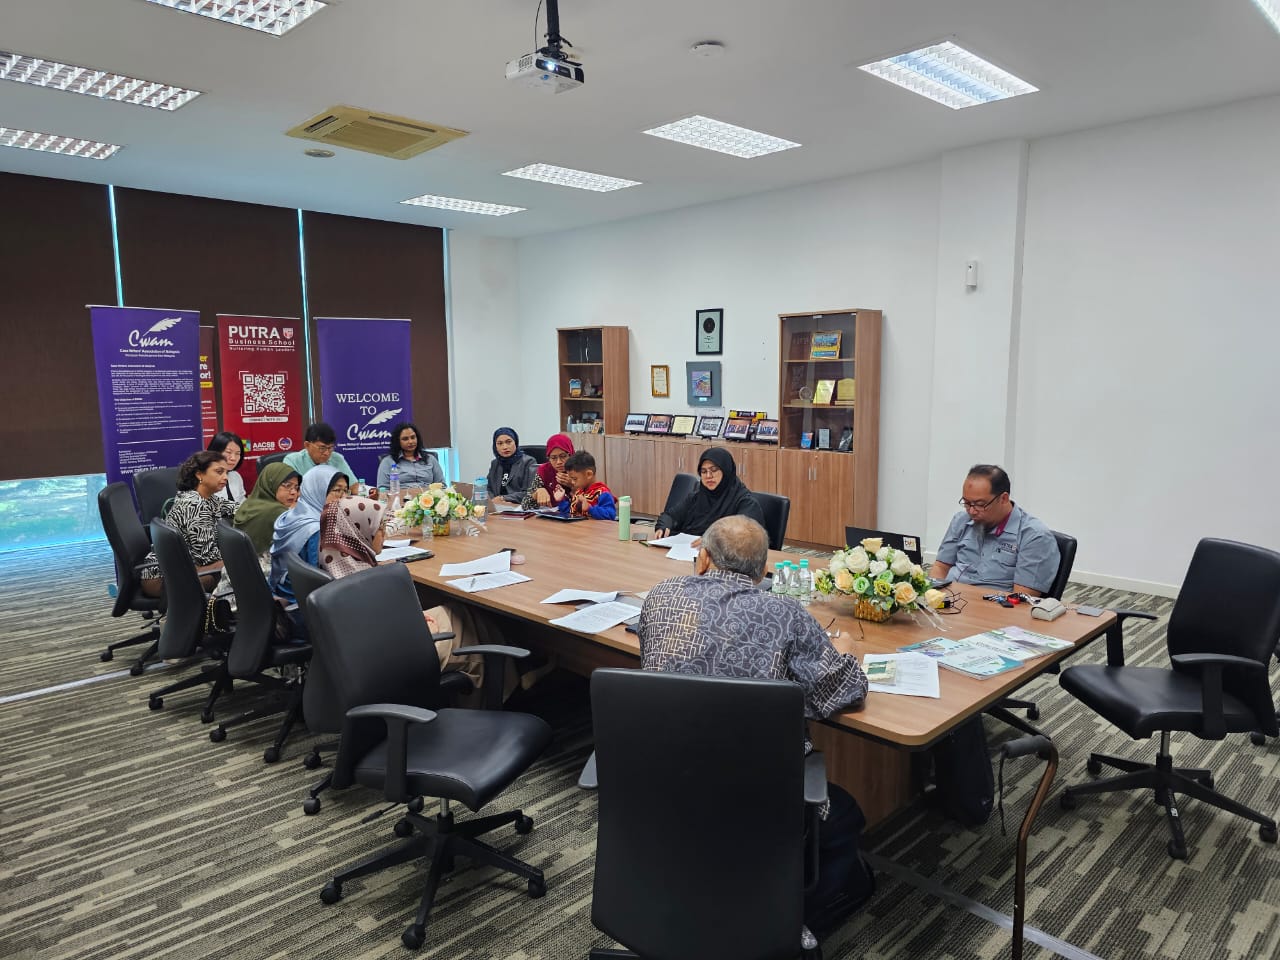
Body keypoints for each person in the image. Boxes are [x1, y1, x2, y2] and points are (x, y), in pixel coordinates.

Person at [637, 515, 873, 934]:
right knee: (847, 814)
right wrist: (848, 650)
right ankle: (789, 921)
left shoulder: (661, 596)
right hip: (756, 795)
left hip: (664, 780)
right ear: (763, 571)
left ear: (703, 559)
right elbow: (841, 692)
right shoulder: (786, 613)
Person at [317, 495, 493, 693]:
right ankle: (500, 695)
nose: (384, 534)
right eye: (379, 528)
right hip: (388, 657)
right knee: (466, 623)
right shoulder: (356, 582)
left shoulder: (337, 559)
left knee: (458, 611)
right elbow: (382, 624)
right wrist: (416, 621)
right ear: (358, 530)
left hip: (362, 650)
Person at [930, 464, 1060, 597]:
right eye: (967, 503)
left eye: (980, 504)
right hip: (950, 599)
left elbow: (1021, 599)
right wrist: (933, 596)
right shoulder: (961, 520)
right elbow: (940, 567)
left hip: (993, 605)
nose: (972, 511)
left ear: (1003, 499)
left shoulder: (1034, 536)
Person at [138, 451, 238, 596]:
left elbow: (239, 510)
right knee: (239, 564)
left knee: (239, 561)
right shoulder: (194, 504)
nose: (225, 477)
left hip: (181, 567)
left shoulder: (207, 498)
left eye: (226, 473)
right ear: (199, 475)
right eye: (219, 472)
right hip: (162, 579)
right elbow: (206, 557)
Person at [269, 465, 347, 603]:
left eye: (346, 491)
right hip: (302, 599)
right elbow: (320, 576)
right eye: (337, 490)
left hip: (280, 590)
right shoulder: (316, 529)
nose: (344, 497)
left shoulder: (291, 514)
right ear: (317, 490)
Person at [654, 447, 765, 539]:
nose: (708, 476)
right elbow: (669, 515)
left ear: (726, 471)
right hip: (689, 552)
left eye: (714, 470)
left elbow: (746, 534)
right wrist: (662, 527)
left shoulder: (745, 502)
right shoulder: (696, 497)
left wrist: (711, 542)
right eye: (703, 471)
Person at [233, 462, 301, 556]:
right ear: (271, 483)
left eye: (296, 488)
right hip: (265, 563)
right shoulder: (277, 512)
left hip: (242, 561)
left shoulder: (250, 503)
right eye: (287, 486)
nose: (294, 492)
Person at [376, 421, 445, 491]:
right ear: (398, 441)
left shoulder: (430, 459)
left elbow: (442, 486)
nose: (410, 442)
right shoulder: (388, 462)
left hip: (427, 496)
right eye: (405, 439)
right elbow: (382, 489)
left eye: (413, 437)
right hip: (401, 496)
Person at [283, 422, 355, 485]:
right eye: (322, 448)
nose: (327, 453)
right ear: (307, 445)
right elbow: (291, 490)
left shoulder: (337, 459)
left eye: (330, 448)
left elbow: (353, 486)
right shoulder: (292, 461)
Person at [520, 432, 574, 510]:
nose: (559, 462)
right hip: (550, 515)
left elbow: (590, 502)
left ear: (571, 454)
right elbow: (525, 505)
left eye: (563, 456)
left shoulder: (580, 469)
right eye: (553, 458)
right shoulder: (544, 470)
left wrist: (574, 486)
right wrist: (537, 493)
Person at [486, 427, 538, 503]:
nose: (505, 447)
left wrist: (503, 498)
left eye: (508, 442)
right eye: (500, 443)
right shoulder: (495, 463)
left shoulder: (528, 462)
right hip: (497, 506)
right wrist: (492, 500)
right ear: (495, 446)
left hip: (518, 506)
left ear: (515, 442)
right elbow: (488, 488)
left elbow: (530, 492)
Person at [559, 450, 616, 520]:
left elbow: (610, 515)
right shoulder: (579, 492)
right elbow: (571, 512)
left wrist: (590, 508)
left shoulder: (603, 493)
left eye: (574, 479)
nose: (572, 482)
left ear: (589, 474)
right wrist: (561, 500)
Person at [207, 431, 247, 503]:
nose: (233, 458)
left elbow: (242, 501)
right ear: (215, 452)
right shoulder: (203, 479)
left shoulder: (235, 476)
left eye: (237, 453)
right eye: (228, 452)